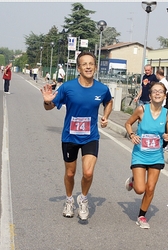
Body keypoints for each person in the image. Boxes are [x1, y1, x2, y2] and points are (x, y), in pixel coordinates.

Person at [40, 51, 113, 221]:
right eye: (84, 64)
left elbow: (108, 101)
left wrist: (106, 116)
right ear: (79, 68)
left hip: (90, 137)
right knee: (71, 173)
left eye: (91, 64)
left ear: (95, 67)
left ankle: (83, 199)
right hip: (70, 137)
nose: (88, 66)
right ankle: (69, 199)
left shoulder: (102, 89)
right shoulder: (68, 87)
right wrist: (47, 100)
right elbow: (49, 107)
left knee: (87, 173)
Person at [124, 82, 168, 229]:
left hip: (156, 156)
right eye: (154, 91)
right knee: (140, 189)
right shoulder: (141, 110)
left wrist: (167, 137)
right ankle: (133, 181)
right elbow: (127, 123)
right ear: (150, 96)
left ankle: (142, 216)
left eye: (160, 91)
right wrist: (132, 134)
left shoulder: (167, 114)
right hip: (140, 154)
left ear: (164, 96)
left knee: (150, 188)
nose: (157, 93)